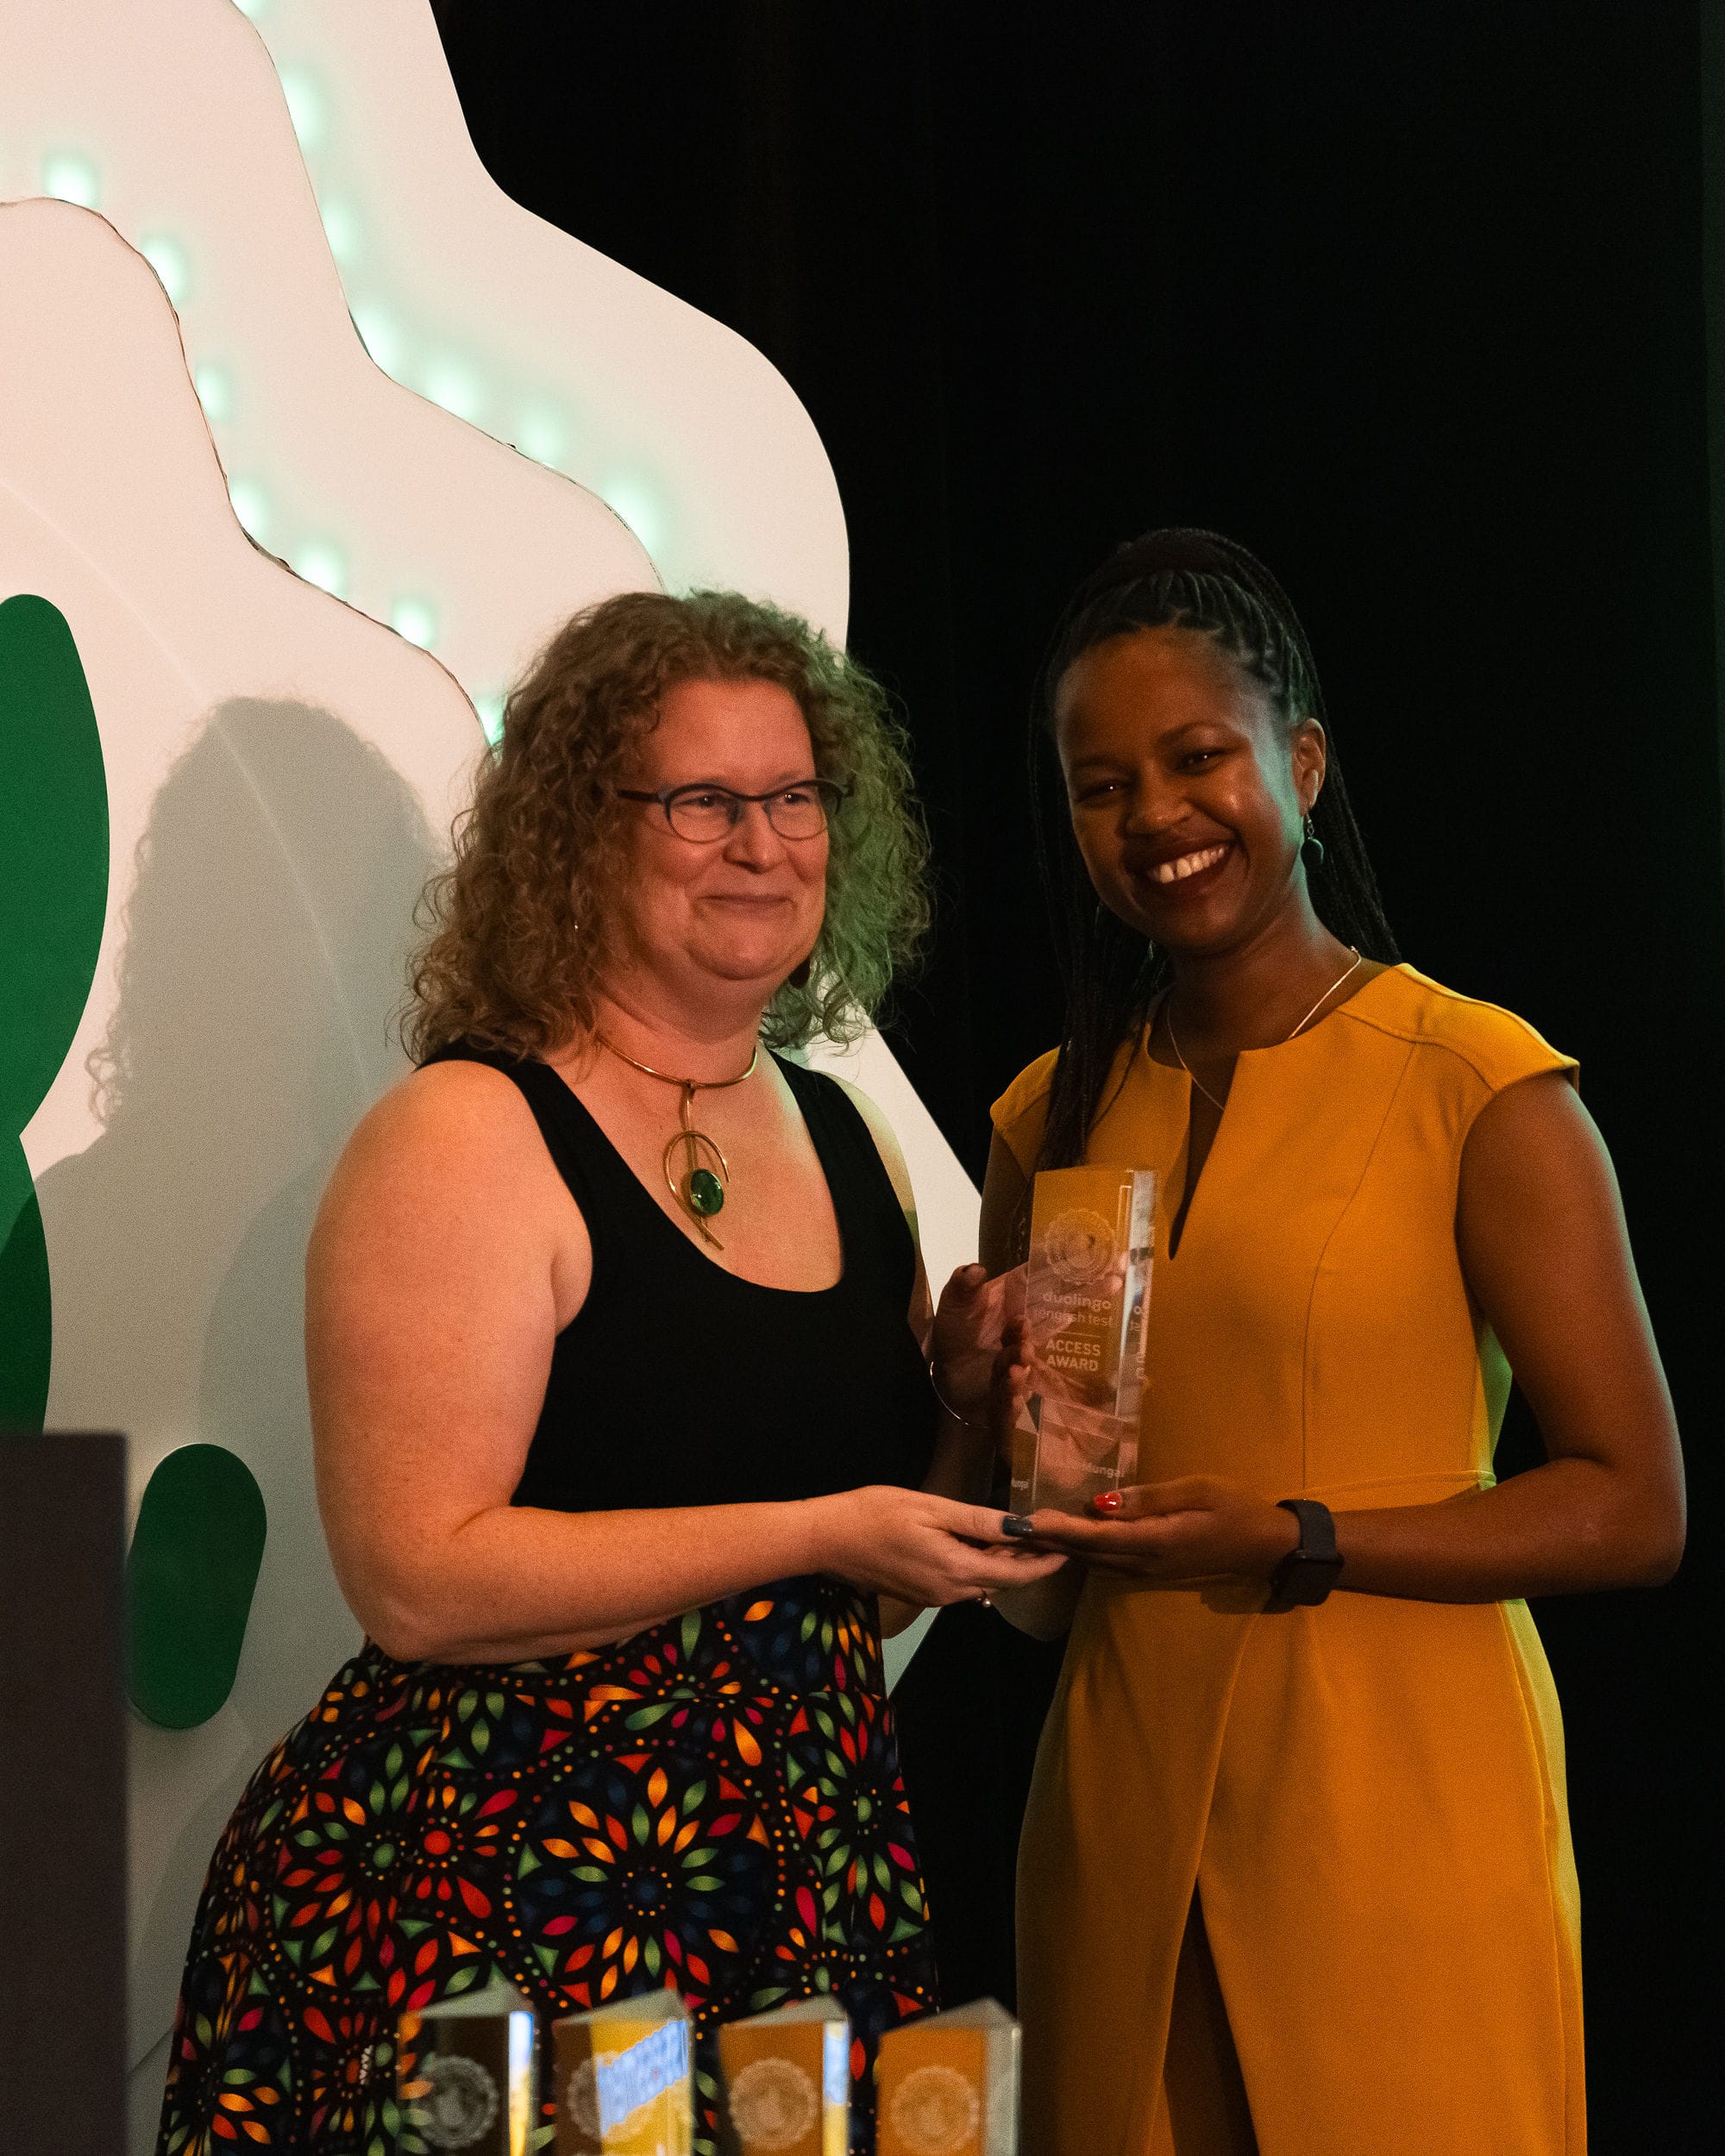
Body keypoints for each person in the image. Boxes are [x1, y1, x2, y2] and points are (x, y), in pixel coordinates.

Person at [155, 589, 1060, 2156]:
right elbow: (418, 1583)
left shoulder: (842, 1138)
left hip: (789, 1914)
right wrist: (821, 1526)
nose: (760, 843)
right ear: (585, 832)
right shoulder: (469, 1135)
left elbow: (876, 1595)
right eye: (701, 800)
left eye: (793, 798)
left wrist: (965, 1416)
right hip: (501, 1925)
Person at [971, 530, 1685, 2155]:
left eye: (1197, 756)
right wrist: (970, 1420)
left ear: (1297, 761)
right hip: (1121, 1813)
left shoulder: (1477, 1085)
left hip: (1405, 1811)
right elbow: (1040, 1582)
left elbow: (1637, 1506)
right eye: (1100, 784)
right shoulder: (1049, 1115)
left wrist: (1304, 1538)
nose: (1155, 813)